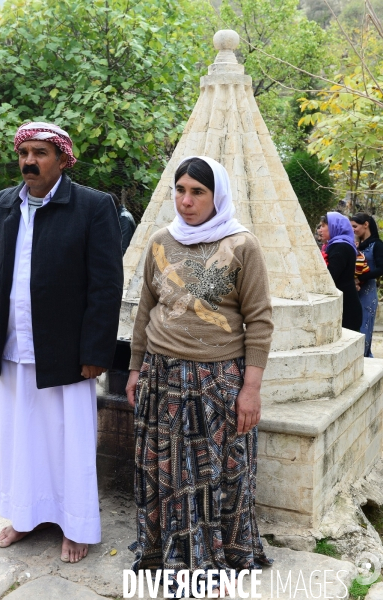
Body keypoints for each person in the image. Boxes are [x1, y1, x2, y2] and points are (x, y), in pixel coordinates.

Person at [125, 156, 274, 595]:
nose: (186, 201)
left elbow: (260, 320)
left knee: (215, 476)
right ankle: (166, 553)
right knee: (165, 471)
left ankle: (216, 558)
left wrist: (251, 389)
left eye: (198, 192)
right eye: (181, 190)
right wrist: (135, 369)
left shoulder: (242, 245)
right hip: (161, 375)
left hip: (217, 382)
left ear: (217, 196)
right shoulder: (160, 242)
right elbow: (145, 310)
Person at [0, 121, 123, 563]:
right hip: (12, 346)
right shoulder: (5, 204)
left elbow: (105, 285)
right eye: (24, 153)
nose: (29, 161)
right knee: (20, 436)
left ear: (62, 158)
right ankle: (26, 515)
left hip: (66, 353)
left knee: (69, 440)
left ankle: (74, 524)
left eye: (40, 153)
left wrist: (95, 352)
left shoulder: (92, 206)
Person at [319, 212, 362, 332]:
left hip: (346, 307)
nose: (320, 230)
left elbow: (331, 276)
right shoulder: (341, 244)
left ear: (334, 226)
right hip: (346, 302)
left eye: (323, 226)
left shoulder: (340, 247)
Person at [350, 212, 383, 356]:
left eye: (355, 226)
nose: (353, 230)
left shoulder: (377, 244)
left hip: (367, 294)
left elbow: (381, 269)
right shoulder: (358, 245)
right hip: (354, 293)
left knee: (365, 331)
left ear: (366, 225)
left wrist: (361, 276)